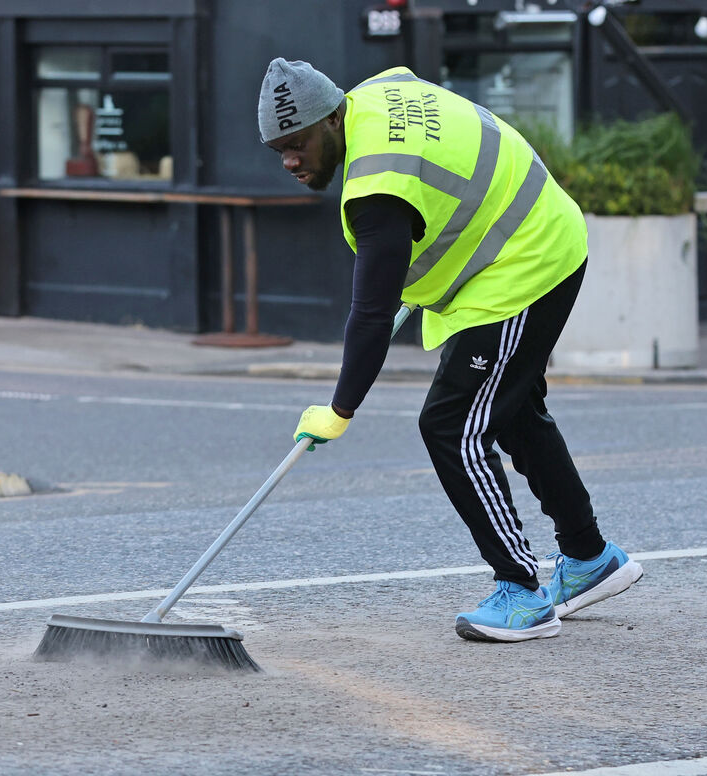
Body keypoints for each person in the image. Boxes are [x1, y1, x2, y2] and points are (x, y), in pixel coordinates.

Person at [258, 58, 642, 643]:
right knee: (510, 411)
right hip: (530, 238)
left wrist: (339, 410)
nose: (290, 160)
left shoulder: (375, 188)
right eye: (278, 149)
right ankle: (589, 560)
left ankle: (522, 590)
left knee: (451, 424)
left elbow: (370, 313)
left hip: (524, 261)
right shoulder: (377, 92)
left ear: (335, 118)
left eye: (299, 142)